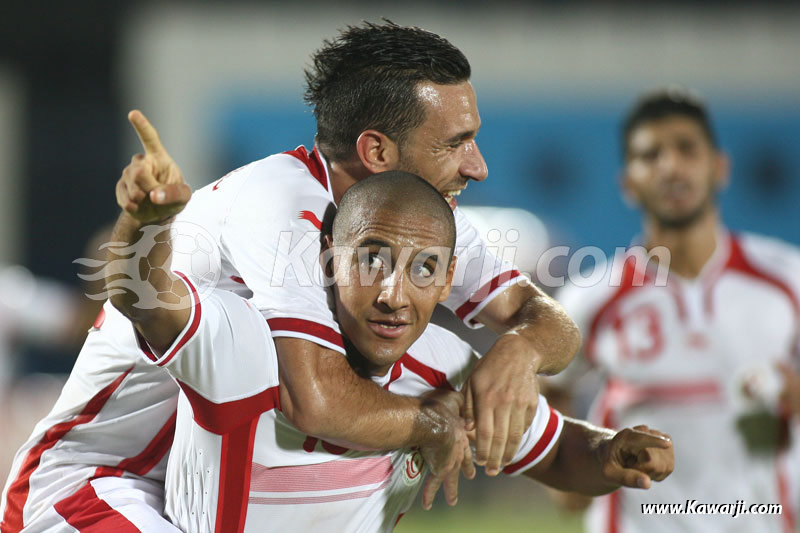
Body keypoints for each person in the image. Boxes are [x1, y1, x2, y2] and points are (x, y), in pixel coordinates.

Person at [0, 21, 580, 531]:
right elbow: (318, 402)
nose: (478, 166)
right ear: (376, 151)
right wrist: (436, 423)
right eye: (457, 143)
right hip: (95, 488)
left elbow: (553, 324)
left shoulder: (417, 216)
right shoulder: (279, 204)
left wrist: (521, 352)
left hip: (199, 494)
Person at [114, 166, 673, 532]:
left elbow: (554, 452)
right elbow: (148, 303)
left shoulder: (448, 367)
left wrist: (610, 455)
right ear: (330, 257)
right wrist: (146, 225)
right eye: (372, 259)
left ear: (450, 277)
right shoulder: (250, 342)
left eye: (424, 269)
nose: (394, 296)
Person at [548, 87, 800, 533]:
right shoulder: (593, 295)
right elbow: (552, 385)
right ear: (628, 183)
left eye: (686, 149)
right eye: (651, 155)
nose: (671, 166)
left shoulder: (785, 278)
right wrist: (565, 476)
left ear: (719, 167)